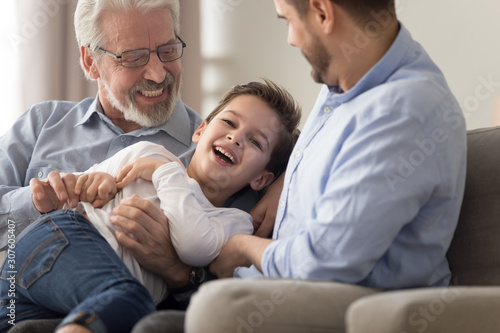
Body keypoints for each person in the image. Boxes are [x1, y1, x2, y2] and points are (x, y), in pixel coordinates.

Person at [130, 0, 468, 332]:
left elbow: (322, 264)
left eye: (288, 20)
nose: (291, 38)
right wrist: (287, 181)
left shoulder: (402, 111)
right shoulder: (345, 84)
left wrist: (242, 248)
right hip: (271, 296)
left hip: (344, 306)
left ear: (322, 12)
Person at [0, 80, 302, 333]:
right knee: (130, 301)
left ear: (262, 179)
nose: (235, 138)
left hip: (60, 294)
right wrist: (90, 186)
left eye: (255, 142)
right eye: (229, 122)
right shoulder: (147, 152)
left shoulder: (234, 221)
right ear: (200, 131)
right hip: (58, 241)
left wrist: (166, 172)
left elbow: (193, 246)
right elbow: (83, 183)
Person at [0, 0, 208, 294]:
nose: (158, 74)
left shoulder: (213, 153)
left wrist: (177, 270)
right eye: (134, 58)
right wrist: (35, 204)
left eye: (168, 50)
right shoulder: (41, 124)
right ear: (90, 62)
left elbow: (236, 281)